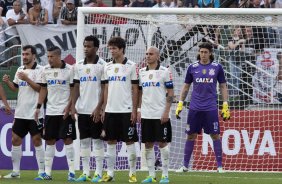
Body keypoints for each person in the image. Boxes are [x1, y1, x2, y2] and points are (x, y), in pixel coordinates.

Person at [175, 42, 230, 173]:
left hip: (210, 108)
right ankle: (185, 166)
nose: (203, 55)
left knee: (215, 135)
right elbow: (186, 86)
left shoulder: (217, 67)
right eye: (201, 52)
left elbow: (223, 86)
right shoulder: (192, 67)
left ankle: (220, 166)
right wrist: (180, 103)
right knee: (190, 136)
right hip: (194, 108)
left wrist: (225, 104)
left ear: (210, 53)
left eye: (205, 52)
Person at [2, 45, 45, 179]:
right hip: (21, 112)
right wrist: (8, 82)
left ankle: (42, 172)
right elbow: (15, 88)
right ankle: (15, 172)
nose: (24, 57)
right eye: (23, 54)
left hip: (35, 113)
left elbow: (40, 89)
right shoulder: (20, 69)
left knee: (37, 140)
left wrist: (27, 79)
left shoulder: (41, 70)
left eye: (27, 54)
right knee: (15, 139)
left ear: (33, 56)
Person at [34, 46, 76, 181]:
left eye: (52, 56)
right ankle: (47, 173)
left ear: (59, 56)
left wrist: (70, 107)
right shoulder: (45, 70)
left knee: (67, 140)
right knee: (49, 140)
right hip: (51, 112)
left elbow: (73, 91)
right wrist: (38, 107)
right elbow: (43, 90)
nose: (49, 59)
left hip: (65, 111)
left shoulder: (70, 70)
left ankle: (71, 172)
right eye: (48, 57)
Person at [101, 37, 139, 182]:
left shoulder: (131, 66)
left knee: (129, 142)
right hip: (111, 110)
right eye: (110, 48)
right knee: (110, 142)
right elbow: (105, 88)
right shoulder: (107, 67)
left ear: (122, 49)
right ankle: (110, 174)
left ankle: (132, 173)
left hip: (126, 110)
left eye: (114, 48)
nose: (111, 51)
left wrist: (135, 110)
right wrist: (104, 108)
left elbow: (136, 89)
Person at [71, 35, 106, 182]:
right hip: (82, 109)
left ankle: (98, 172)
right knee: (84, 141)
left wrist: (99, 108)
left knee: (97, 141)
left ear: (96, 48)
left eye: (89, 46)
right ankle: (86, 172)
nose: (86, 48)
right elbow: (77, 87)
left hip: (95, 110)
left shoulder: (103, 65)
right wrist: (72, 105)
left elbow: (105, 88)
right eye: (85, 46)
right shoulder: (78, 65)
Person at [137, 46, 173, 183]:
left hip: (160, 115)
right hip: (146, 115)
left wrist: (166, 111)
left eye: (151, 54)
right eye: (146, 54)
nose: (148, 56)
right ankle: (151, 175)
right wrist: (139, 110)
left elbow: (170, 93)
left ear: (157, 56)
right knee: (148, 145)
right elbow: (140, 93)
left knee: (163, 143)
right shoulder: (141, 72)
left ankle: (165, 175)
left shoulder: (165, 72)